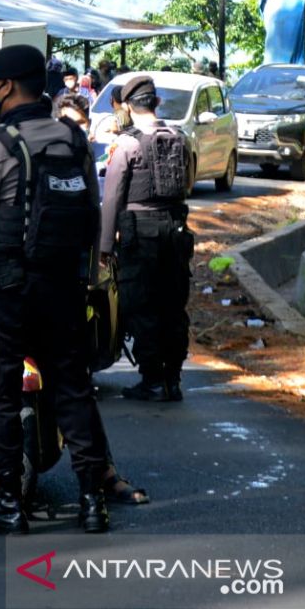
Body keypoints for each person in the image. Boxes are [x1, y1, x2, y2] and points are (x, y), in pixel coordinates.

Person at [0, 44, 113, 535]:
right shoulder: (75, 142)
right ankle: (92, 502)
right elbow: (93, 219)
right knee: (72, 389)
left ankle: (9, 506)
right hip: (64, 288)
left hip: (9, 288)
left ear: (7, 86)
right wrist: (90, 281)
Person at [99, 75, 194, 402]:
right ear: (157, 103)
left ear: (127, 106)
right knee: (173, 305)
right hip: (176, 232)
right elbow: (188, 184)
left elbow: (112, 198)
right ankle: (173, 379)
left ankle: (152, 379)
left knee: (142, 305)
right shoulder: (180, 138)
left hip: (140, 234)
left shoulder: (127, 144)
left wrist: (105, 247)